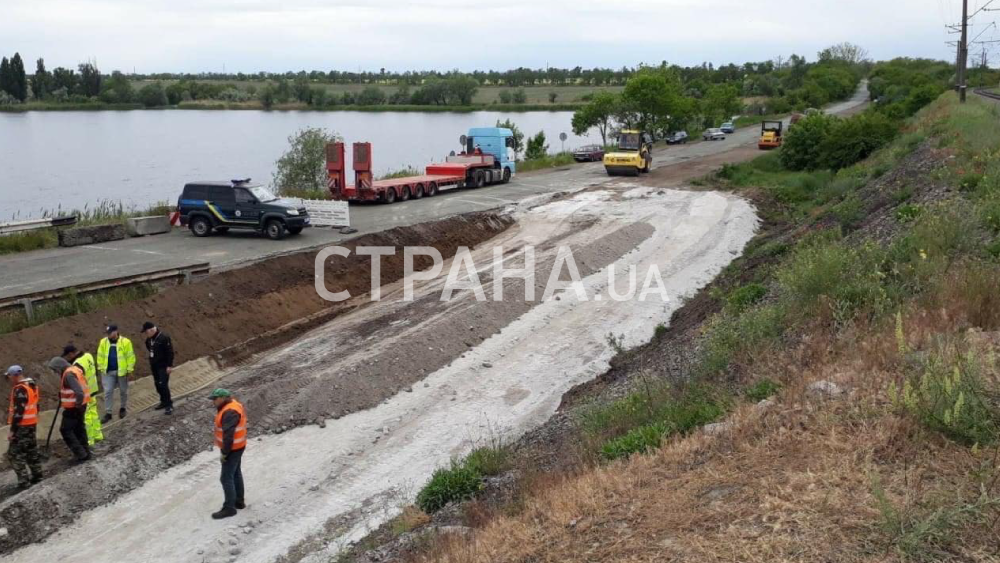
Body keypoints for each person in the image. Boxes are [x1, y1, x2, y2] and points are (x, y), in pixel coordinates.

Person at [48, 345, 92, 462]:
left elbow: (78, 391)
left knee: (66, 430)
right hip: (81, 405)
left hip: (75, 407)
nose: (55, 372)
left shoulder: (68, 374)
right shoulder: (74, 369)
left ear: (58, 367)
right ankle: (85, 452)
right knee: (79, 429)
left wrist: (77, 405)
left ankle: (81, 454)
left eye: (54, 370)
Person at [210, 388, 247, 519]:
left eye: (215, 399)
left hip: (232, 448)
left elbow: (228, 435)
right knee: (235, 473)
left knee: (226, 477)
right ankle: (239, 501)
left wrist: (225, 453)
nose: (213, 401)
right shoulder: (232, 405)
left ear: (222, 398)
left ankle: (229, 508)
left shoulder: (229, 411)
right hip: (238, 446)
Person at [6, 365, 43, 489]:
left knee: (14, 454)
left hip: (22, 426)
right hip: (31, 424)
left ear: (15, 375)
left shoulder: (20, 389)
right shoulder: (31, 385)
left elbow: (18, 412)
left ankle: (24, 482)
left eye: (10, 376)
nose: (9, 379)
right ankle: (38, 476)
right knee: (31, 450)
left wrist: (12, 431)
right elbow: (37, 406)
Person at [97, 323, 136, 422]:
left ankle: (122, 408)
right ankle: (108, 413)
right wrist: (101, 368)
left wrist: (130, 370)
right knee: (108, 391)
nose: (108, 335)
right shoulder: (103, 342)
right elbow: (100, 356)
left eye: (110, 333)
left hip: (121, 372)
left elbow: (130, 357)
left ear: (116, 331)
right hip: (108, 372)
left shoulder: (125, 342)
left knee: (123, 391)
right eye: (107, 333)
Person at [142, 321, 174, 415]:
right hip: (154, 365)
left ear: (151, 330)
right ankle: (163, 401)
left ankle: (169, 405)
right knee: (157, 384)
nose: (145, 334)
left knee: (163, 384)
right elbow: (149, 348)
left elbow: (170, 352)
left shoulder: (164, 338)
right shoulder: (149, 340)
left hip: (163, 366)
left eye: (146, 332)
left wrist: (169, 365)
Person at [74, 348, 103, 446]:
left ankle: (89, 439)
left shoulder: (77, 364)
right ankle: (98, 435)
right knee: (94, 413)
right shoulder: (88, 355)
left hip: (86, 393)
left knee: (87, 417)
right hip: (93, 389)